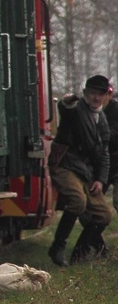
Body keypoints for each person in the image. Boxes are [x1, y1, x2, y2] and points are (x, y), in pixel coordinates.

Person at [47, 75, 113, 266]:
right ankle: (57, 247)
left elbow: (104, 154)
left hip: (86, 171)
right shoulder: (77, 109)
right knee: (77, 200)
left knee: (104, 215)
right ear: (85, 93)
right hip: (66, 164)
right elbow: (65, 109)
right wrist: (66, 102)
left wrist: (100, 179)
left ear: (106, 96)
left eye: (100, 94)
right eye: (92, 93)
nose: (96, 98)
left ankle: (80, 252)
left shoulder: (102, 120)